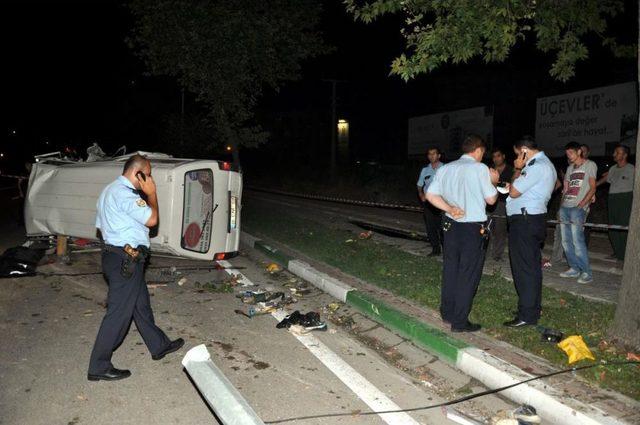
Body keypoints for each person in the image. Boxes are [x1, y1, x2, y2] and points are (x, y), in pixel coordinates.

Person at [88, 154, 184, 381]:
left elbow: (101, 227)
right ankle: (98, 366)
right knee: (118, 315)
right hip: (125, 260)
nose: (149, 179)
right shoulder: (124, 194)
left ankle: (158, 345)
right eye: (148, 175)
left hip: (119, 257)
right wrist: (152, 194)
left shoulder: (108, 191)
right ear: (137, 173)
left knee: (140, 305)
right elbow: (151, 220)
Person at [426, 134, 499, 332]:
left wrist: (449, 209)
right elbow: (492, 200)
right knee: (468, 273)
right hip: (471, 228)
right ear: (478, 151)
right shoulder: (480, 168)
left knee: (451, 269)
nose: (483, 157)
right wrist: (494, 181)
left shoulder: (446, 168)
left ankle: (447, 312)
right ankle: (459, 321)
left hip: (450, 225)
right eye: (482, 153)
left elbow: (430, 195)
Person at [503, 136, 557, 328]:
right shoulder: (544, 164)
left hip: (525, 222)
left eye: (518, 154)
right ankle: (531, 308)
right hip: (531, 219)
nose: (517, 157)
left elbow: (514, 192)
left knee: (524, 269)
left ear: (524, 150)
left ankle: (527, 315)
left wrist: (518, 168)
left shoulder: (537, 166)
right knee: (531, 268)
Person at [558, 142, 597, 284]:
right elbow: (566, 188)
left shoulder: (590, 165)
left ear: (579, 151)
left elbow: (593, 187)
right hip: (565, 207)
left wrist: (582, 204)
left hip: (577, 207)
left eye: (571, 153)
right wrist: (561, 207)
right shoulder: (569, 168)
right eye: (567, 153)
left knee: (577, 240)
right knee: (566, 241)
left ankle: (586, 272)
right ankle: (574, 268)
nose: (568, 156)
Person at [596, 144, 635, 261]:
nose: (614, 155)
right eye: (614, 152)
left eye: (617, 153)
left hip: (625, 198)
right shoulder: (613, 168)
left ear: (625, 155)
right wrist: (595, 185)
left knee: (623, 226)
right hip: (612, 198)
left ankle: (624, 254)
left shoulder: (632, 169)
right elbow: (606, 179)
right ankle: (618, 253)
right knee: (612, 227)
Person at [417, 147, 444, 256]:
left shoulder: (445, 168)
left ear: (439, 156)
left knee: (443, 228)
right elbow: (419, 185)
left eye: (434, 154)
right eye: (429, 154)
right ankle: (435, 250)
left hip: (442, 202)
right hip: (428, 203)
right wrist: (421, 194)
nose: (431, 156)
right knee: (430, 227)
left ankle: (447, 250)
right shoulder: (425, 170)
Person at [487, 148, 513, 261]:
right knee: (486, 228)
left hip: (503, 203)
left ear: (503, 156)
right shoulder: (489, 170)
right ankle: (484, 252)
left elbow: (512, 186)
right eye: (494, 156)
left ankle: (497, 255)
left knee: (500, 230)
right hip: (488, 202)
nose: (496, 159)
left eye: (498, 156)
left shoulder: (511, 170)